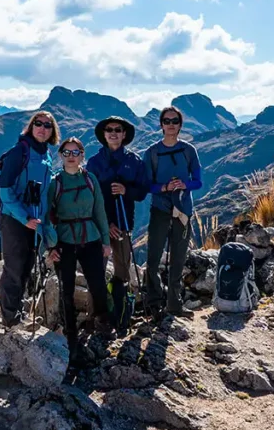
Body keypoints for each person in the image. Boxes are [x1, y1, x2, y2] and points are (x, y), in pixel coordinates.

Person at [45, 137, 115, 358]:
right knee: (66, 289)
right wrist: (50, 247)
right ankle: (71, 332)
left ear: (82, 155)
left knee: (98, 284)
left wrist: (106, 241)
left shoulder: (90, 179)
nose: (71, 156)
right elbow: (46, 217)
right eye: (66, 152)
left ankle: (102, 320)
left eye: (75, 152)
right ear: (60, 156)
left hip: (90, 238)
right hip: (64, 241)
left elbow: (100, 212)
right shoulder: (55, 183)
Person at [0, 110, 59, 327]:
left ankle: (18, 314)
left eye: (47, 125)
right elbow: (5, 192)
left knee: (26, 268)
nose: (42, 128)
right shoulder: (19, 152)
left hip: (35, 222)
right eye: (38, 124)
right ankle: (10, 320)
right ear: (31, 127)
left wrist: (43, 226)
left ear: (52, 131)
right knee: (14, 268)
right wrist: (24, 218)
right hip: (15, 220)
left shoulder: (46, 155)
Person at [143, 105, 202, 320]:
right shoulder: (151, 152)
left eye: (174, 121)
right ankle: (154, 305)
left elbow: (198, 181)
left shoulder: (189, 150)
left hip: (183, 210)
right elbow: (146, 185)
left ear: (180, 125)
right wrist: (164, 188)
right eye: (166, 121)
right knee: (153, 257)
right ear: (161, 125)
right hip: (160, 209)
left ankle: (174, 305)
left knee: (178, 258)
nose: (170, 124)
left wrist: (184, 184)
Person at [86, 115, 149, 288]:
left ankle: (119, 303)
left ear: (124, 134)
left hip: (123, 224)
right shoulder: (94, 163)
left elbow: (142, 192)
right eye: (109, 130)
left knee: (122, 272)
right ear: (104, 134)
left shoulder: (134, 161)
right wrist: (106, 224)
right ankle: (97, 305)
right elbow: (89, 197)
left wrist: (126, 190)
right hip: (99, 226)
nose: (113, 133)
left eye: (117, 130)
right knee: (97, 271)